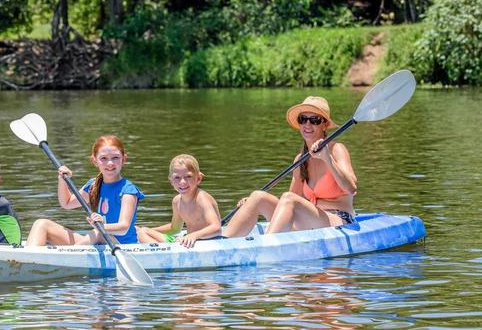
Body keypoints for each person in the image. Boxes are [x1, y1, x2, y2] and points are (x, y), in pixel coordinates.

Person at [224, 96, 357, 237]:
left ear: (324, 124)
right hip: (310, 221)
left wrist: (327, 159)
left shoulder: (336, 149)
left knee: (288, 198)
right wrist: (250, 204)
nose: (307, 124)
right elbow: (289, 201)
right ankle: (223, 244)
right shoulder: (300, 160)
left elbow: (351, 188)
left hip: (338, 220)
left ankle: (267, 247)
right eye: (303, 119)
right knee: (257, 196)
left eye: (314, 120)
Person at [26, 135, 144, 246]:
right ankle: (26, 259)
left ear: (124, 159)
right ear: (94, 161)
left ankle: (71, 256)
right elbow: (66, 203)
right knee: (42, 224)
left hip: (123, 246)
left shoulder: (128, 190)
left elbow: (123, 228)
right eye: (103, 158)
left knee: (97, 232)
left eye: (115, 158)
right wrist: (62, 180)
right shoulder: (94, 185)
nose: (110, 163)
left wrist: (102, 226)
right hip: (99, 239)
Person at [137, 154, 222, 248]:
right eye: (177, 177)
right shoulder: (177, 201)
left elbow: (216, 228)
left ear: (198, 178)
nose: (182, 182)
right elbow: (175, 229)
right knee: (143, 232)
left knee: (143, 233)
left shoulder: (202, 198)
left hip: (206, 242)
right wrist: (151, 231)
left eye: (188, 177)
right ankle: (162, 254)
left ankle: (163, 255)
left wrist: (193, 235)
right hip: (186, 242)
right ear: (170, 180)